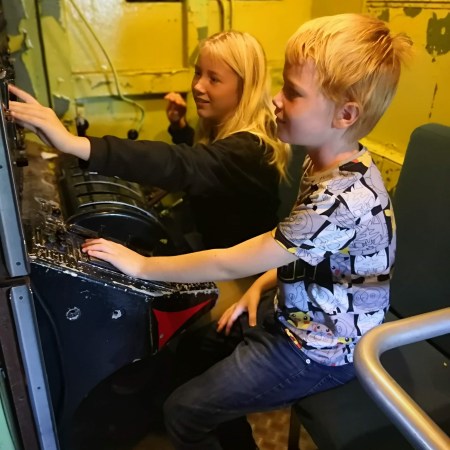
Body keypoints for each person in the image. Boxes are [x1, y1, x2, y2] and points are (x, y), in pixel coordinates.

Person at [11, 13, 412, 449]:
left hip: (320, 350)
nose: (276, 99)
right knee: (191, 352)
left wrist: (141, 265)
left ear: (345, 114)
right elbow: (316, 253)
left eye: (293, 92)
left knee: (184, 411)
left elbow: (230, 259)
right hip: (294, 311)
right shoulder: (327, 163)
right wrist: (263, 285)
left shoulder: (341, 197)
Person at [9, 30, 290, 250]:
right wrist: (180, 129)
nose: (198, 86)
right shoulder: (232, 132)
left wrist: (73, 143)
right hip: (214, 244)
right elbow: (210, 166)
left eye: (213, 79)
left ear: (245, 88)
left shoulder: (252, 147)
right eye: (198, 72)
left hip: (238, 270)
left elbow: (185, 164)